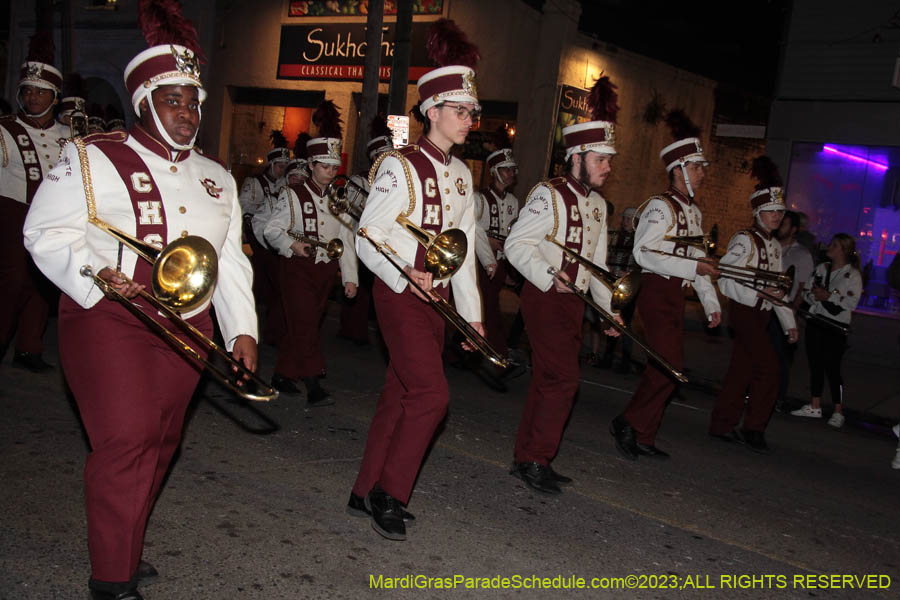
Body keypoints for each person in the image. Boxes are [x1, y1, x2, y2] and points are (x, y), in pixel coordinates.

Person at [22, 7, 259, 598]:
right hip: (110, 315)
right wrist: (95, 271)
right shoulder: (93, 154)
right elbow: (43, 233)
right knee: (126, 438)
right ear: (146, 102)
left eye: (194, 101)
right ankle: (112, 578)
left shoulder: (217, 175)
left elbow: (228, 261)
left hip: (189, 321)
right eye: (174, 100)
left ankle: (122, 539)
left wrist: (242, 333)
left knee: (162, 440)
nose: (188, 112)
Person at [348, 18, 484, 541]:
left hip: (441, 298)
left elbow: (464, 252)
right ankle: (390, 491)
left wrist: (473, 317)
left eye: (471, 111)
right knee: (432, 395)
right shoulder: (397, 166)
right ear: (432, 111)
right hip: (402, 292)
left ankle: (363, 490)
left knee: (400, 393)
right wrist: (405, 270)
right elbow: (368, 235)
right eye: (460, 110)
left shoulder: (462, 175)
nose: (469, 118)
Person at [505, 76, 621, 494]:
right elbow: (517, 246)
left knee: (547, 381)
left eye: (610, 159)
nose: (608, 167)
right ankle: (536, 457)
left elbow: (598, 264)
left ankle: (529, 457)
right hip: (544, 297)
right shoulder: (548, 195)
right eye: (601, 159)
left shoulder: (597, 206)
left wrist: (609, 310)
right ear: (577, 156)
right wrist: (548, 277)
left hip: (573, 304)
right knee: (563, 381)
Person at [611, 109, 721, 460]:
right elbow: (644, 254)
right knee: (668, 365)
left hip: (676, 293)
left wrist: (712, 303)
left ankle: (643, 433)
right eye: (695, 167)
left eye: (702, 167)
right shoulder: (660, 207)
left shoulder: (694, 212)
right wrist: (693, 265)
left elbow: (699, 265)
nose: (702, 174)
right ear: (677, 171)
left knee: (667, 368)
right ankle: (628, 421)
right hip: (657, 290)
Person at [264, 100, 358, 405]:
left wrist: (350, 277)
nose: (330, 172)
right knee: (304, 323)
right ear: (311, 166)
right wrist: (291, 244)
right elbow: (271, 230)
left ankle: (281, 375)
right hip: (297, 268)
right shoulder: (293, 194)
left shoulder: (338, 200)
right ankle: (313, 382)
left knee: (306, 323)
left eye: (334, 167)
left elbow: (346, 239)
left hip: (325, 270)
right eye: (325, 167)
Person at [708, 157, 798, 453]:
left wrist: (790, 324)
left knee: (741, 371)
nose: (776, 216)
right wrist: (757, 293)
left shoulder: (774, 246)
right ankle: (753, 428)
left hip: (762, 316)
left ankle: (722, 425)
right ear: (759, 212)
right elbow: (726, 277)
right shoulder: (745, 240)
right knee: (769, 369)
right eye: (771, 211)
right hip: (745, 312)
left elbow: (779, 289)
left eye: (779, 212)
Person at [0, 31, 69, 373]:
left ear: (55, 97)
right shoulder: (4, 129)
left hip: (53, 218)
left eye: (41, 92)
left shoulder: (71, 137)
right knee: (9, 283)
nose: (33, 97)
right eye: (27, 91)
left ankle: (29, 348)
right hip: (13, 214)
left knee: (42, 283)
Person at [791, 234, 862, 428]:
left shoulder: (852, 275)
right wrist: (816, 297)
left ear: (843, 250)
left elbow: (852, 302)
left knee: (833, 368)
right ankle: (815, 404)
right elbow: (807, 290)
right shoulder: (822, 268)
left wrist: (828, 296)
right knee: (815, 364)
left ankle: (838, 411)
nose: (829, 247)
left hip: (835, 325)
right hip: (817, 320)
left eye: (834, 245)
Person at [337, 117, 392, 345]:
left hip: (386, 245)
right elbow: (347, 219)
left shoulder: (396, 183)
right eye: (384, 157)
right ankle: (352, 331)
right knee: (360, 294)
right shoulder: (359, 181)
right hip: (362, 244)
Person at [473, 146, 522, 376]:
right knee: (488, 308)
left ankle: (461, 353)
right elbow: (471, 230)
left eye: (513, 170)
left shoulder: (513, 201)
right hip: (479, 263)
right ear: (495, 171)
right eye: (507, 169)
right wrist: (488, 244)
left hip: (501, 262)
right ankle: (499, 355)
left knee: (486, 309)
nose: (512, 174)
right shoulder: (479, 198)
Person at [241, 132, 290, 345]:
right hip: (256, 236)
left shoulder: (282, 185)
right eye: (279, 166)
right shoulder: (255, 182)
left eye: (284, 167)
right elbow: (244, 208)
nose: (282, 171)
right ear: (270, 164)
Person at [772, 209, 814, 410]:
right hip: (765, 305)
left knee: (780, 357)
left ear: (794, 229)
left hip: (785, 309)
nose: (780, 226)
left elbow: (803, 287)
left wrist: (793, 312)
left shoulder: (802, 254)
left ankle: (778, 397)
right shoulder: (770, 246)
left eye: (785, 224)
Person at [597, 205, 639, 373]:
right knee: (613, 317)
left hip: (629, 286)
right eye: (624, 219)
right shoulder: (616, 236)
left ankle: (625, 360)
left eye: (629, 219)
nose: (625, 222)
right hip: (614, 282)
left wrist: (627, 273)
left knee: (626, 322)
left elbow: (639, 264)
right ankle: (608, 356)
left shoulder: (638, 239)